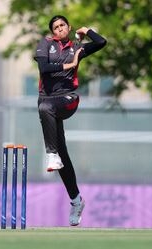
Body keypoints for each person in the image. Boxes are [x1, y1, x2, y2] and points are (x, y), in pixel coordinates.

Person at [34, 15, 106, 226]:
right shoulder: (45, 44)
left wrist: (87, 30)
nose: (59, 29)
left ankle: (50, 153)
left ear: (68, 27)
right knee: (62, 155)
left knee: (45, 109)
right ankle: (76, 201)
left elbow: (101, 42)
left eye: (62, 25)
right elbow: (44, 69)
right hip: (47, 99)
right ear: (52, 31)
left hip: (68, 99)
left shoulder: (77, 47)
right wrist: (69, 65)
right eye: (56, 27)